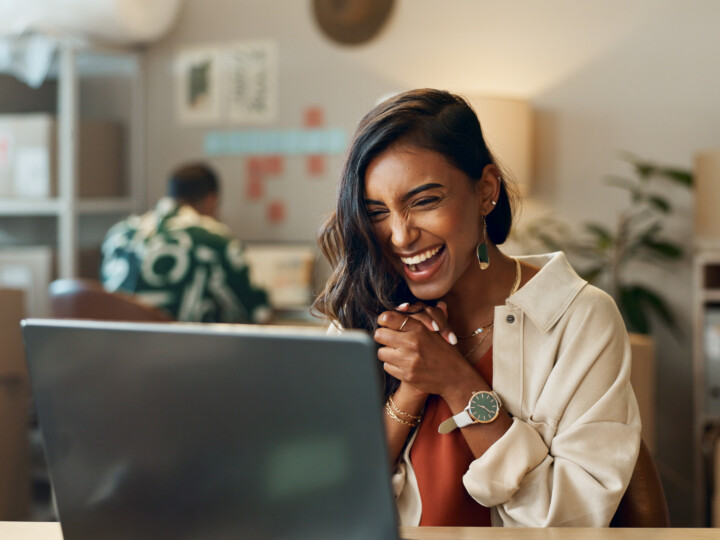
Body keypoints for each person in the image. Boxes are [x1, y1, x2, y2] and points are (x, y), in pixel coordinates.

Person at [313, 89, 641, 527]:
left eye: (424, 201)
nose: (399, 236)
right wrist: (411, 389)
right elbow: (326, 499)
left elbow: (571, 521)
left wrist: (456, 382)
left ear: (486, 190)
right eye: (376, 212)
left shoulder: (578, 318)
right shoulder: (362, 309)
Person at [101, 162, 272, 324]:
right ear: (211, 200)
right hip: (186, 350)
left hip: (118, 350)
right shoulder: (213, 238)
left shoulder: (120, 234)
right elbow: (258, 311)